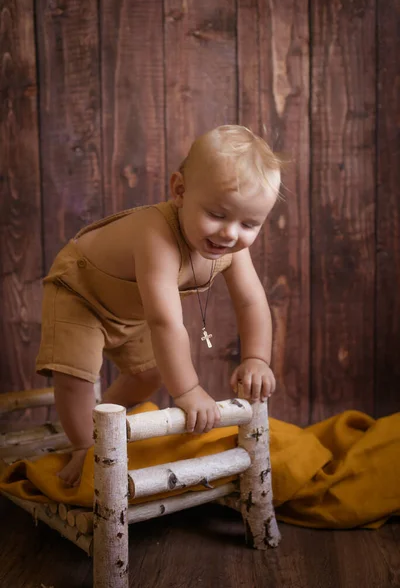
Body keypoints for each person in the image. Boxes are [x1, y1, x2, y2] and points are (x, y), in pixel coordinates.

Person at [36, 125, 282, 487]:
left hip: (131, 308)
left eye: (249, 223)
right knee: (75, 376)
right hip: (80, 292)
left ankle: (98, 422)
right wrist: (188, 391)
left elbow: (252, 302)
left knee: (149, 373)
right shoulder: (157, 235)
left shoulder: (232, 248)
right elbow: (165, 321)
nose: (230, 233)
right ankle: (85, 449)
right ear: (179, 191)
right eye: (217, 214)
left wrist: (257, 358)